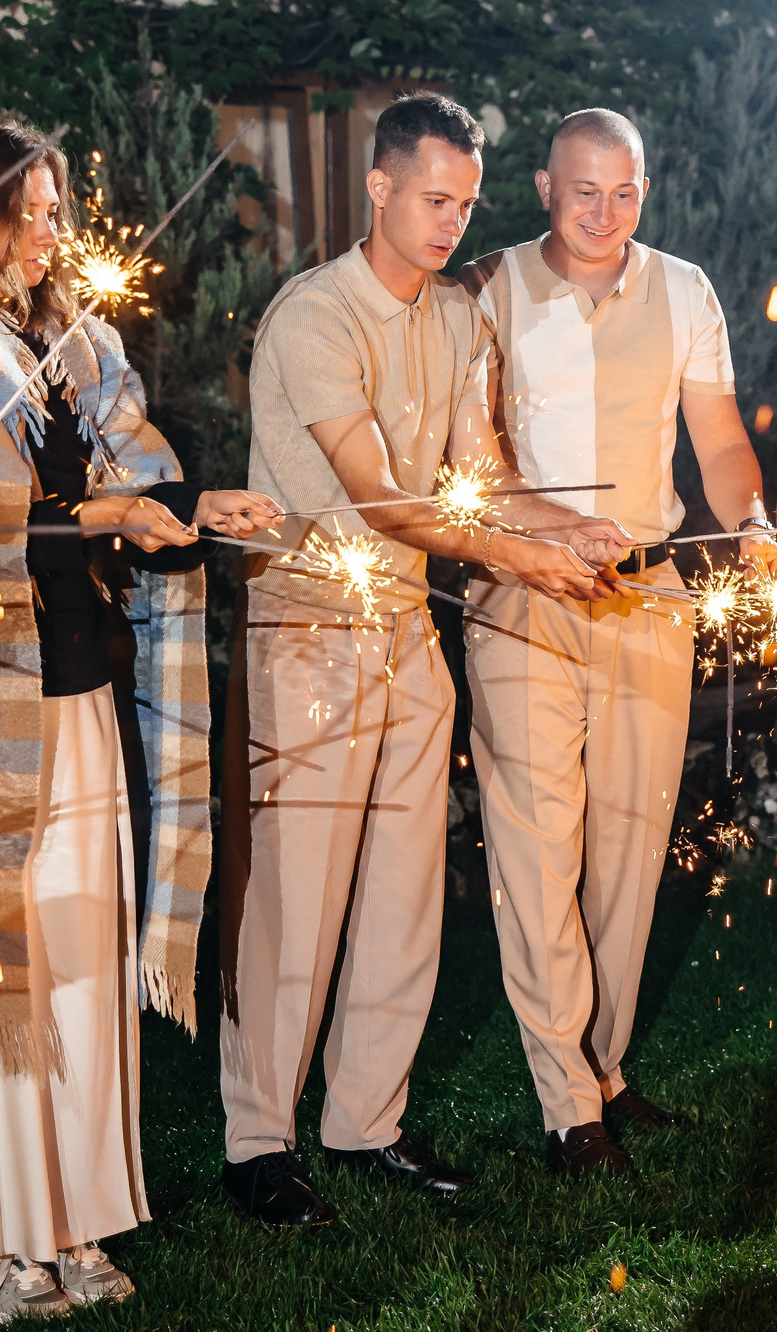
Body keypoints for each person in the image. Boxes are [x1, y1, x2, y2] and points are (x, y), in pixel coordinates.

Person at [0, 118, 278, 1321]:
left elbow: (122, 485)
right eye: (31, 209)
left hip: (78, 685)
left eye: (56, 208)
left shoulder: (77, 344)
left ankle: (70, 1214)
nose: (53, 230)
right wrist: (102, 522)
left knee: (81, 957)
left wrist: (200, 502)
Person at [219, 92, 629, 1226]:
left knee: (405, 899)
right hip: (306, 630)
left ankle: (366, 1124)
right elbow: (386, 499)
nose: (452, 223)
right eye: (433, 199)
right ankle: (257, 1141)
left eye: (465, 203)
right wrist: (519, 559)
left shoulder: (456, 318)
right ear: (379, 187)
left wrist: (566, 531)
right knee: (297, 900)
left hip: (408, 634)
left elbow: (480, 480)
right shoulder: (314, 317)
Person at [452, 109, 777, 1175]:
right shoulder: (484, 290)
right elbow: (475, 459)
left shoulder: (685, 290)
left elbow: (721, 438)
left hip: (650, 596)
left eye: (626, 191)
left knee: (633, 851)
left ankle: (602, 1067)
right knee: (538, 844)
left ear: (645, 188)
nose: (604, 213)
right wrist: (544, 536)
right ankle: (565, 1103)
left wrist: (753, 523)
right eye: (583, 191)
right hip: (523, 594)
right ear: (545, 188)